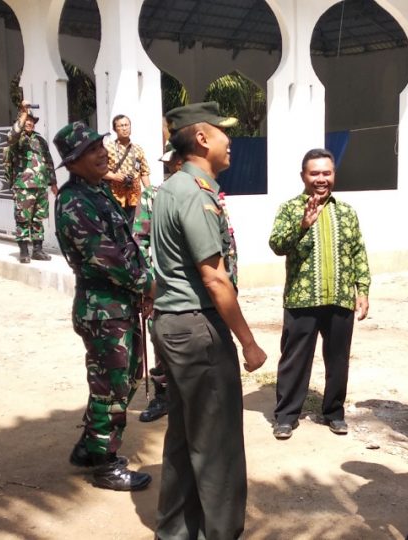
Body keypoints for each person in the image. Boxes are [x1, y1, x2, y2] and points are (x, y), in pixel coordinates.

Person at [151, 102, 267, 538]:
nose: (229, 140)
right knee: (217, 446)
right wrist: (249, 343)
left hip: (173, 323)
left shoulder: (168, 188)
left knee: (184, 439)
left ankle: (176, 532)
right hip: (197, 328)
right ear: (201, 138)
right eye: (222, 132)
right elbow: (214, 277)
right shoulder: (197, 193)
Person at [53, 121, 154, 492]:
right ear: (73, 162)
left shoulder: (99, 192)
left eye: (100, 145)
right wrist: (147, 283)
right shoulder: (74, 200)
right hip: (102, 311)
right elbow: (102, 256)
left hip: (118, 306)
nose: (101, 152)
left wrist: (140, 287)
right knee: (111, 388)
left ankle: (88, 447)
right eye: (90, 150)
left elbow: (125, 245)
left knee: (122, 381)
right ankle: (105, 463)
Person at [268, 148, 370, 440]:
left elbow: (357, 251)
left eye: (327, 173)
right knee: (294, 359)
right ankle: (286, 416)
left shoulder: (346, 211)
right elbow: (276, 244)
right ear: (304, 176)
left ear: (334, 175)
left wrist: (362, 290)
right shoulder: (290, 209)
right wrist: (302, 225)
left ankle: (334, 412)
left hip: (340, 298)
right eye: (315, 173)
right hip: (302, 299)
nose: (321, 179)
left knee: (338, 360)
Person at [135, 144, 182, 424]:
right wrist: (146, 286)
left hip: (200, 289)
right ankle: (163, 395)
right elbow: (139, 242)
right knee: (161, 339)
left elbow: (228, 244)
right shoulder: (153, 196)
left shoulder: (207, 193)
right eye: (175, 162)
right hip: (163, 287)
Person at [5, 100, 57, 264]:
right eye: (27, 120)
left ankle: (38, 250)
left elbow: (48, 161)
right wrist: (23, 112)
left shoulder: (40, 140)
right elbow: (12, 135)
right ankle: (24, 251)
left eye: (32, 121)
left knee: (38, 218)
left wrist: (53, 182)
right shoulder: (16, 139)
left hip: (40, 185)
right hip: (24, 186)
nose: (29, 123)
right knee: (23, 219)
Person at [103, 114, 150, 218]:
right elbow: (99, 171)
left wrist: (149, 191)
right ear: (115, 129)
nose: (125, 128)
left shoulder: (138, 149)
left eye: (126, 125)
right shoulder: (108, 148)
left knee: (136, 229)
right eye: (121, 126)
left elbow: (144, 172)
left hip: (135, 197)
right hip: (115, 197)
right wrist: (113, 176)